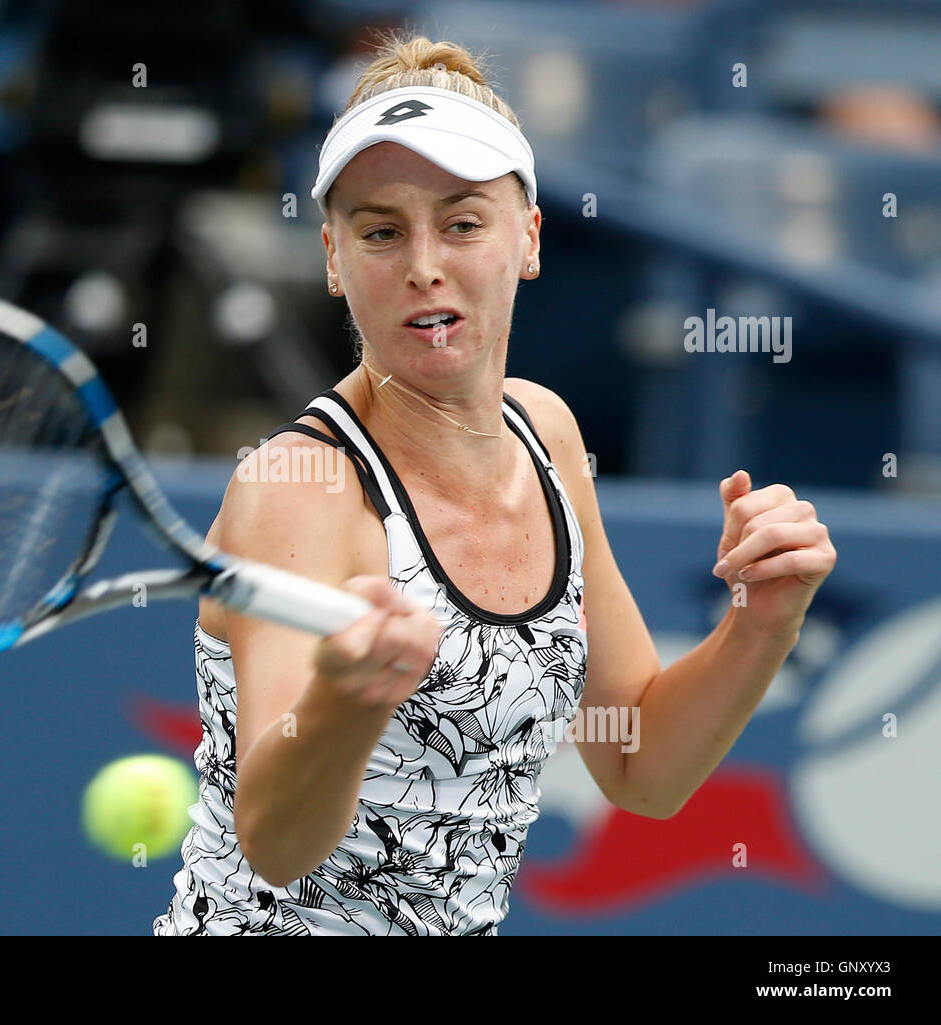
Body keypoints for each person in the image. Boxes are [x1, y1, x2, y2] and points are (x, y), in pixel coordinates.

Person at [153, 33, 837, 936]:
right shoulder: (303, 488)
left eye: (463, 221)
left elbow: (642, 764)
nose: (424, 262)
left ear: (529, 239)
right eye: (381, 230)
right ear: (332, 257)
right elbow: (275, 841)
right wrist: (347, 701)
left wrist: (763, 622)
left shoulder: (546, 432)